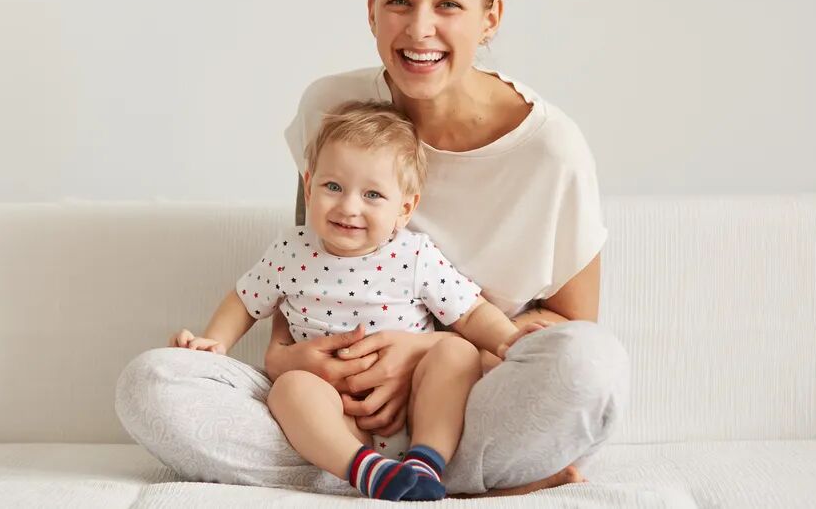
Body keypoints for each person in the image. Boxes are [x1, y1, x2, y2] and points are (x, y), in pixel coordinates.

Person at [116, 0, 629, 498]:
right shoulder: (331, 110)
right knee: (150, 384)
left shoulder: (552, 150)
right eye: (399, 2)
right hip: (329, 395)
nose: (419, 29)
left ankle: (411, 467)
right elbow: (310, 269)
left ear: (490, 17)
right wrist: (285, 360)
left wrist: (421, 353)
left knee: (592, 365)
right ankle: (407, 473)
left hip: (464, 392)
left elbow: (562, 337)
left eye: (449, 5)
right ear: (371, 9)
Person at [167, 101, 545, 500]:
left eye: (372, 195)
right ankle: (366, 470)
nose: (349, 207)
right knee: (289, 389)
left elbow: (470, 311)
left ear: (405, 208)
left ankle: (426, 462)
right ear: (309, 187)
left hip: (414, 409)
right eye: (333, 187)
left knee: (458, 353)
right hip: (338, 418)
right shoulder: (290, 251)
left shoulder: (415, 255)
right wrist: (215, 343)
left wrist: (508, 340)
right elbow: (244, 301)